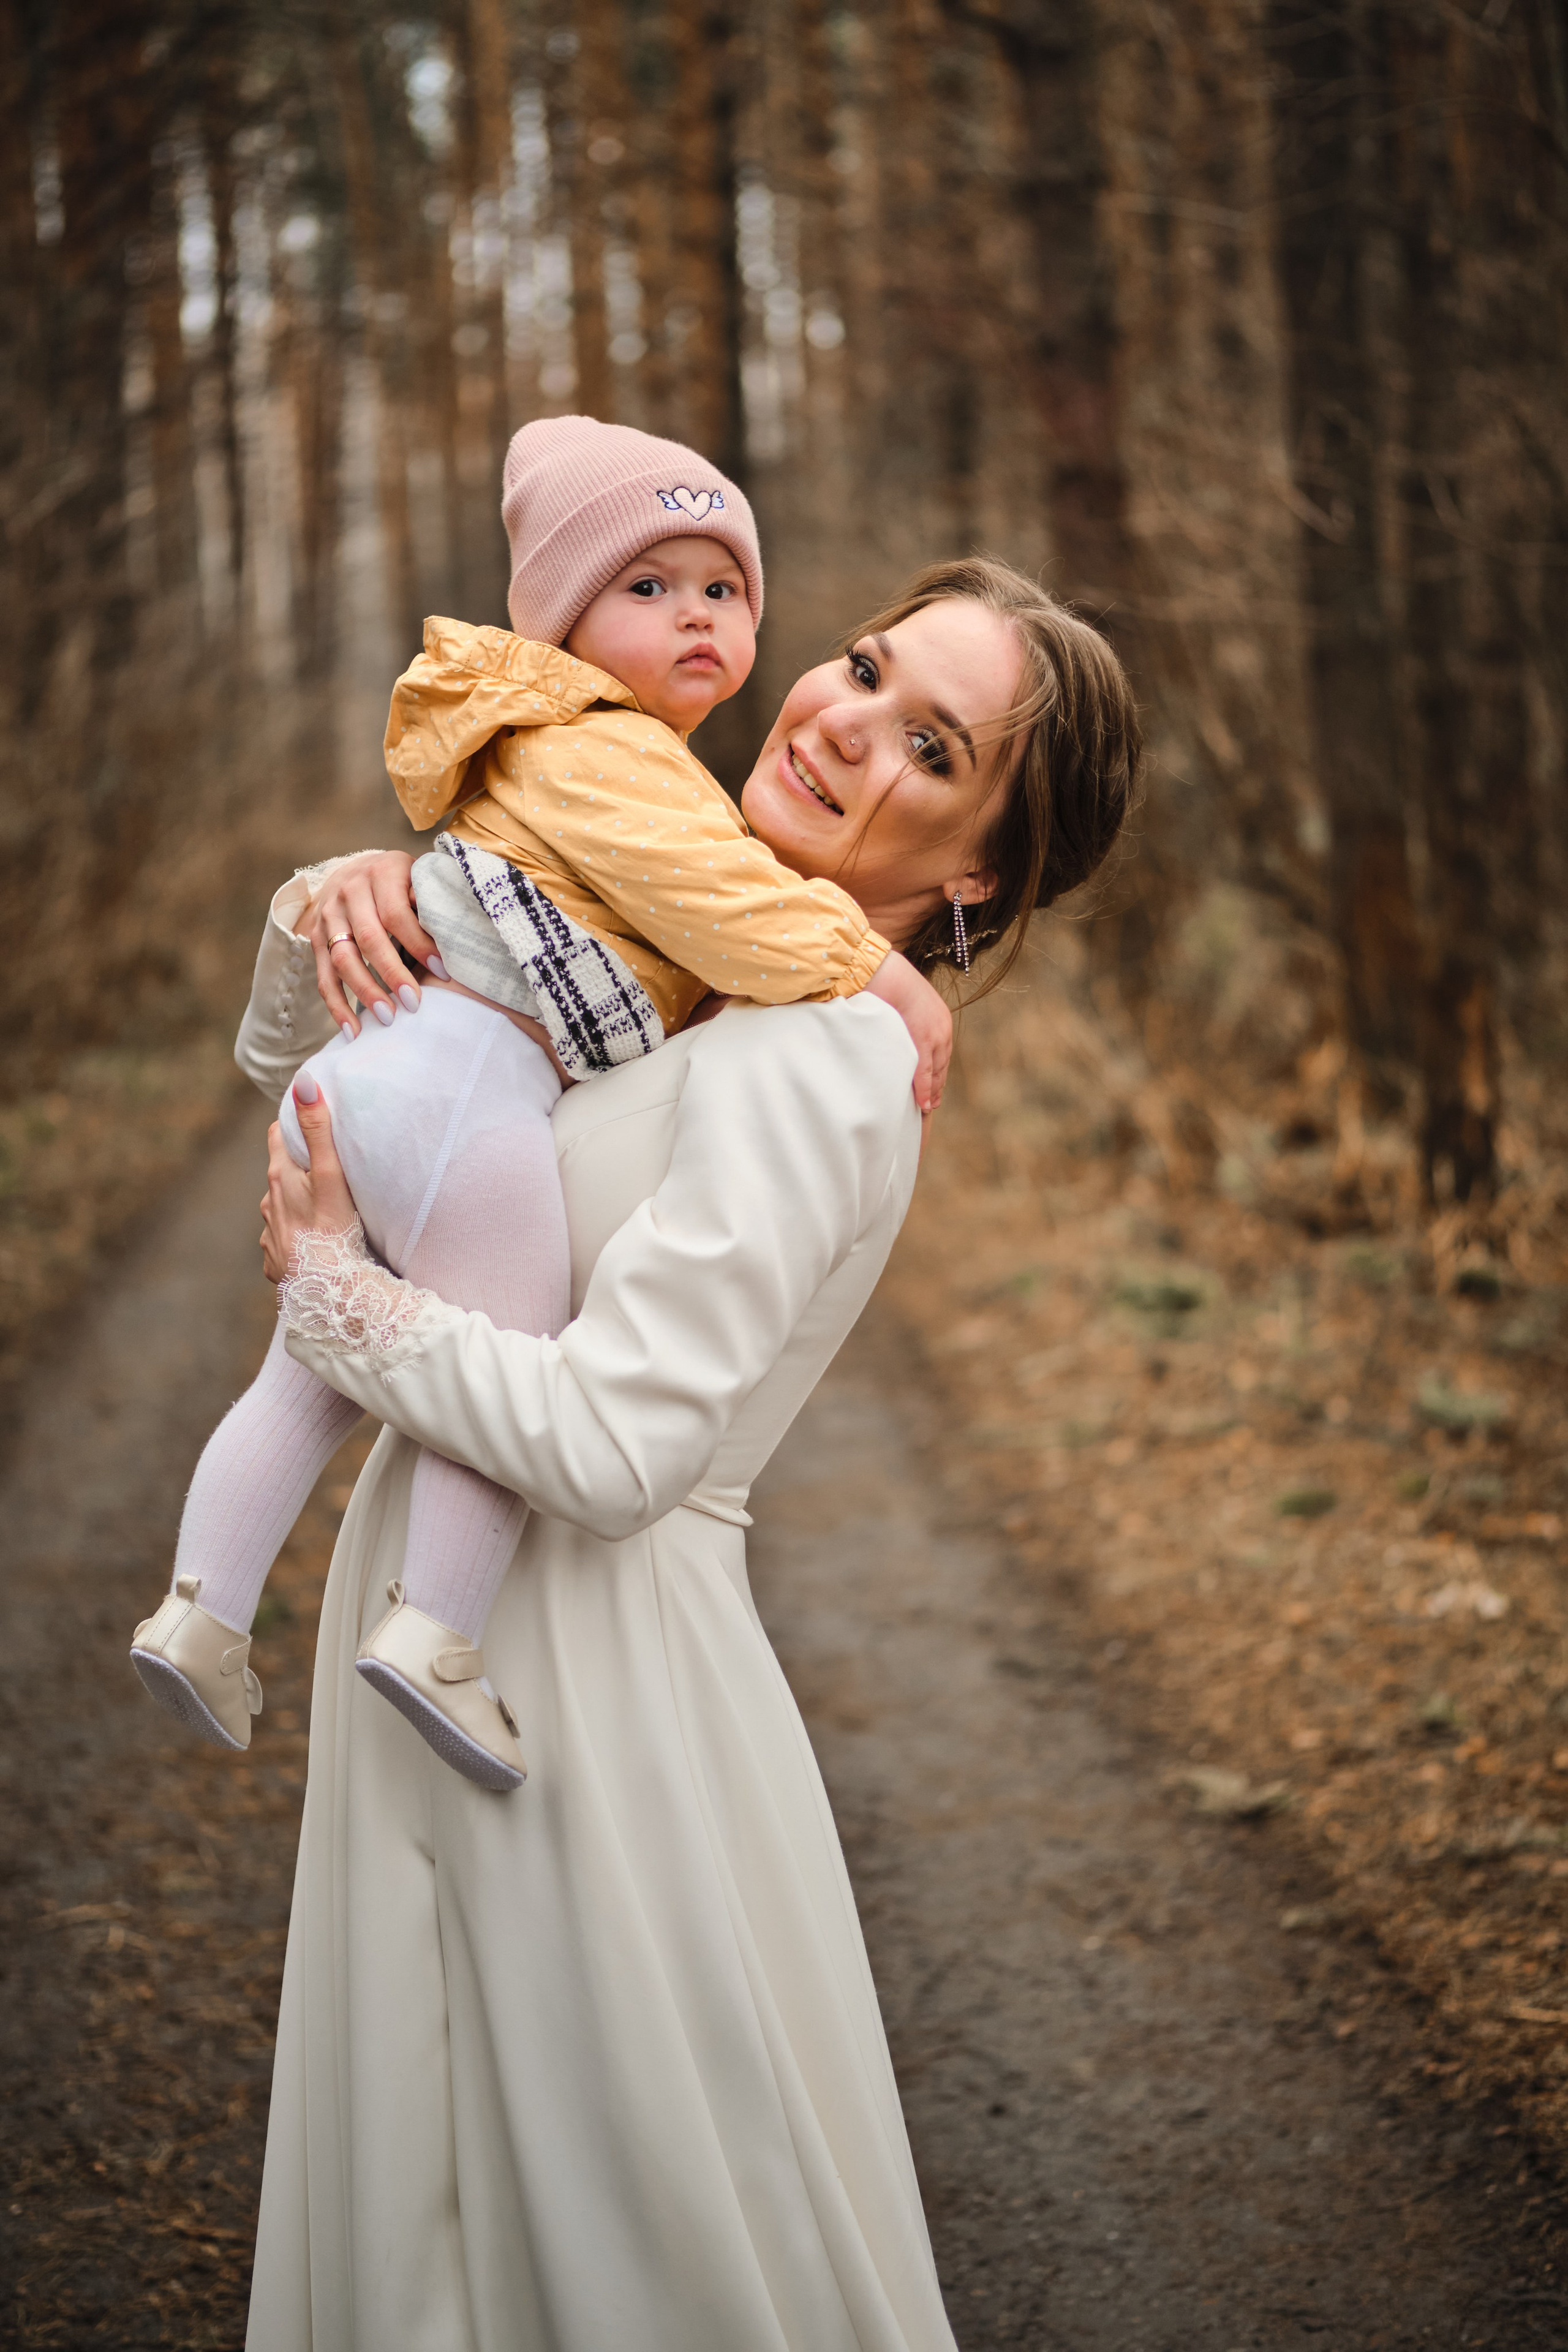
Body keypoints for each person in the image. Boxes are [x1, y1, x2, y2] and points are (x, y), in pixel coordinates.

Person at [242, 554, 1140, 2351]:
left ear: (977, 870)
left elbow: (618, 1447)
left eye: (934, 747)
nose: (845, 724)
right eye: (866, 668)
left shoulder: (821, 1055)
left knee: (606, 2235)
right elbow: (319, 1075)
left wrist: (342, 1305)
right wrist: (341, 904)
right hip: (477, 1642)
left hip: (583, 1684)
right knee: (455, 2200)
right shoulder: (669, 953)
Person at [129, 417, 949, 1794]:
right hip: (459, 1090)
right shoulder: (620, 764)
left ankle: (199, 1613)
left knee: (303, 1377)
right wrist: (350, 894)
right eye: (650, 587)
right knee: (500, 1330)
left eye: (724, 589)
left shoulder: (596, 777)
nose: (697, 616)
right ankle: (435, 1630)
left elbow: (671, 942)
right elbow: (720, 905)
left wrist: (344, 1292)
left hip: (400, 1087)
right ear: (563, 621)